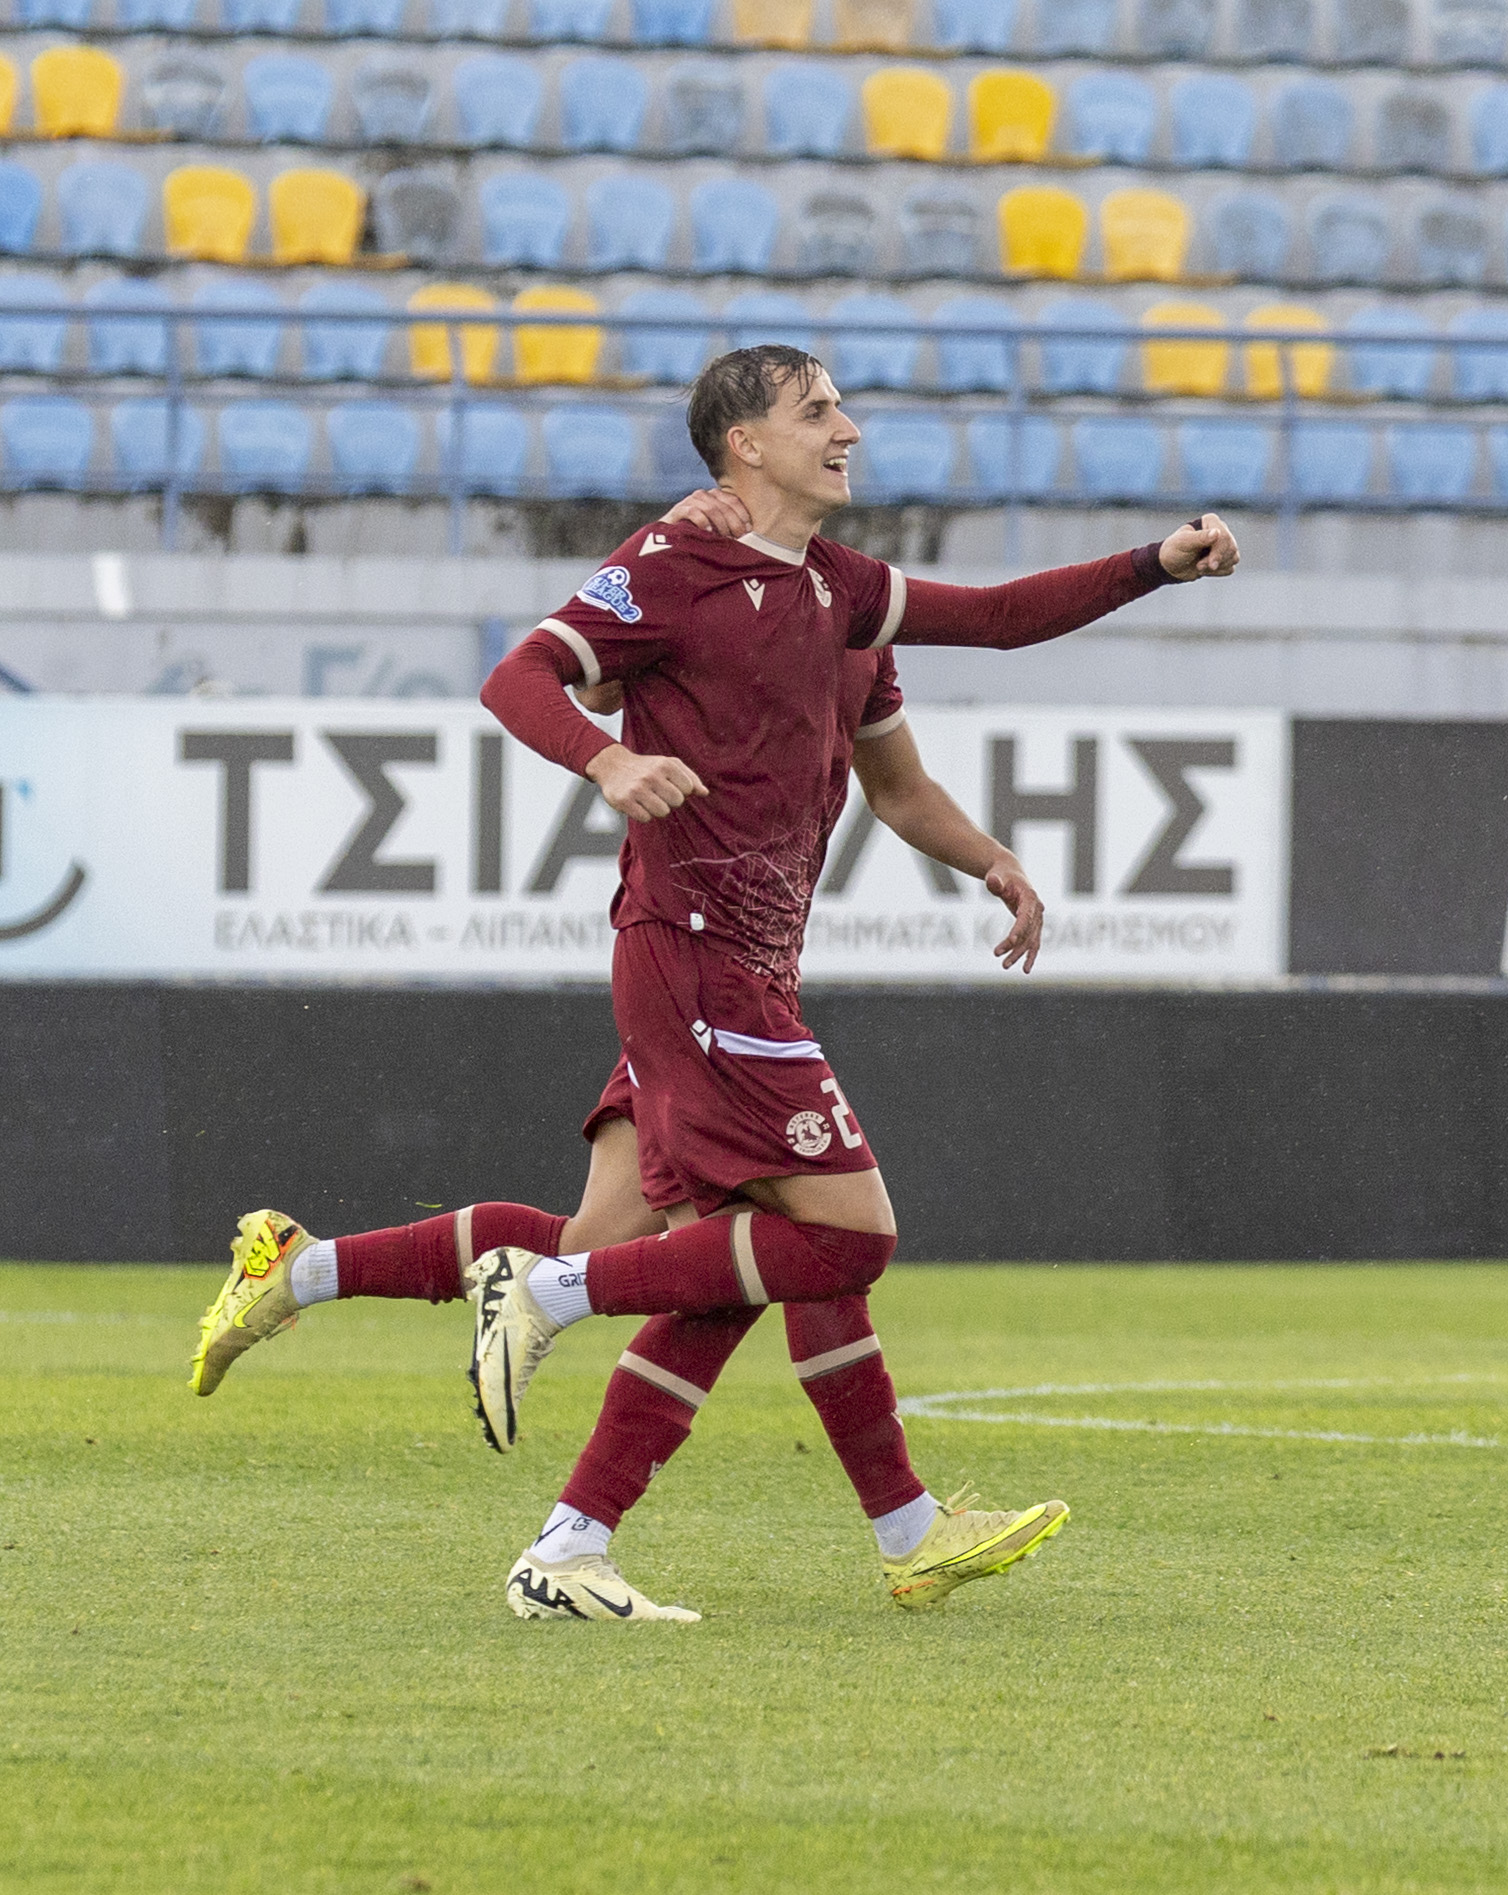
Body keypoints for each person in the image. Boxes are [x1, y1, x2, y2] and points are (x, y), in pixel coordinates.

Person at [192, 345, 1238, 1622]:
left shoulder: (845, 597)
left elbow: (976, 656)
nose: (849, 427)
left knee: (686, 1251)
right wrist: (606, 762)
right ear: (745, 442)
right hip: (694, 958)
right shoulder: (675, 561)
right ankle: (651, 1380)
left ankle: (379, 1346)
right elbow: (518, 675)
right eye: (818, 410)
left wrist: (1143, 578)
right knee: (839, 1237)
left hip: (739, 971)